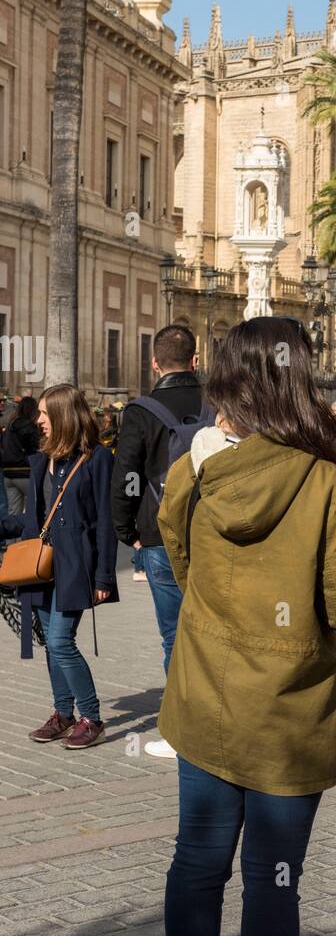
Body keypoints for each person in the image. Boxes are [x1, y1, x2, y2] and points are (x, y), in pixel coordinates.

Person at [157, 317, 336, 936]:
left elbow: (178, 562)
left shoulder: (195, 469)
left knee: (197, 861)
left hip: (205, 693)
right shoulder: (321, 479)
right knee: (271, 877)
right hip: (287, 709)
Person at [0, 385, 118, 748]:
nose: (39, 420)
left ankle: (91, 717)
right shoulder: (40, 460)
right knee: (52, 645)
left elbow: (105, 522)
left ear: (65, 416)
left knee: (60, 641)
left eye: (45, 414)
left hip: (75, 567)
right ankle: (63, 713)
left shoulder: (97, 459)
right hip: (40, 567)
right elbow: (32, 520)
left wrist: (104, 577)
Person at [111, 325, 203, 760]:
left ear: (154, 363)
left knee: (173, 634)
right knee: (213, 629)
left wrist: (125, 528)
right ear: (196, 360)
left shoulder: (141, 410)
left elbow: (126, 473)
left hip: (159, 533)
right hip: (212, 533)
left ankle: (184, 729)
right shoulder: (216, 403)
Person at [2, 395, 41, 514]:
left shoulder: (10, 424)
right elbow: (36, 447)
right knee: (35, 509)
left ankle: (12, 533)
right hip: (24, 472)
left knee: (14, 513)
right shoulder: (28, 425)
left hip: (8, 474)